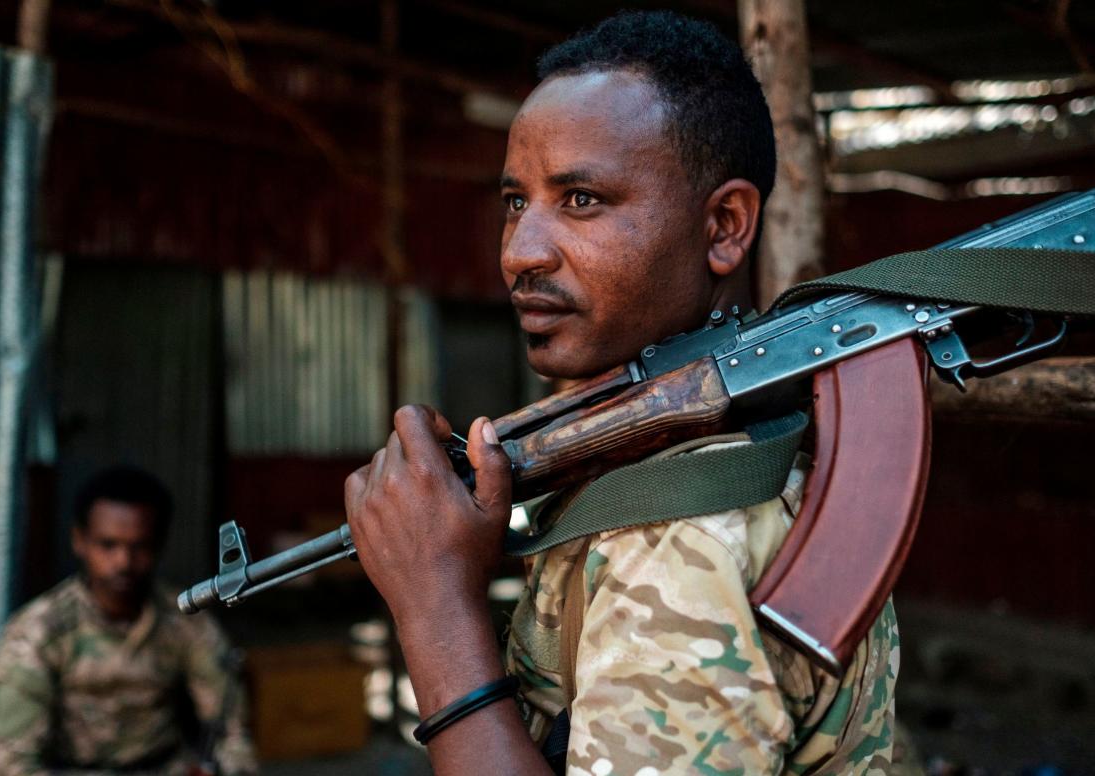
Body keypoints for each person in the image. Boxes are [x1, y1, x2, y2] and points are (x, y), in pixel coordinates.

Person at [344, 10, 900, 775]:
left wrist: (436, 612)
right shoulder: (694, 455)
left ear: (724, 227)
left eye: (580, 200)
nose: (521, 253)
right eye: (516, 202)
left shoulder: (682, 540)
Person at [0, 466, 256, 776]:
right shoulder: (37, 632)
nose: (124, 562)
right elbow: (12, 765)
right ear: (79, 541)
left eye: (139, 546)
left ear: (158, 545)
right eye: (108, 545)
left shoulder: (186, 621)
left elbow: (232, 733)